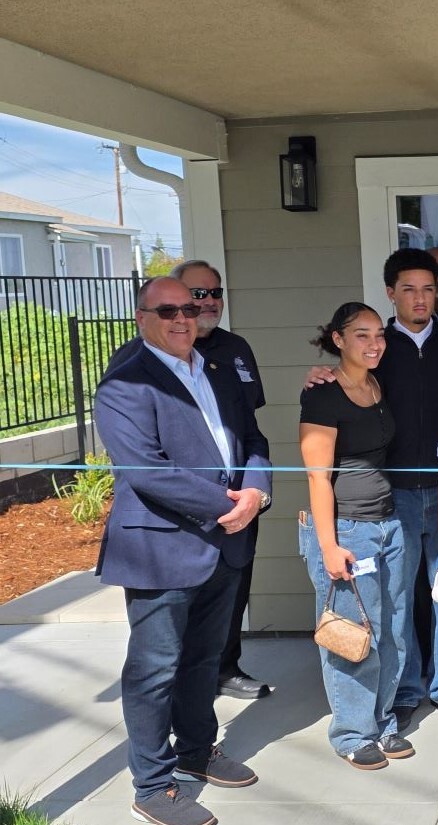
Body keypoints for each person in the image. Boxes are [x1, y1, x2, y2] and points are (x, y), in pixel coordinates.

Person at [95, 276, 271, 825]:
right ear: (142, 318)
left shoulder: (212, 370)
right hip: (162, 547)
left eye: (189, 307)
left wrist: (258, 489)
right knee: (154, 669)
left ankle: (196, 750)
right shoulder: (124, 383)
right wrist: (228, 503)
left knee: (204, 658)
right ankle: (152, 784)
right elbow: (146, 470)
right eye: (166, 309)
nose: (182, 318)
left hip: (225, 541)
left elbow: (253, 439)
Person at [304, 249, 438, 731]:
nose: (420, 297)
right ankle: (404, 688)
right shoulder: (376, 351)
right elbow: (338, 392)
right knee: (396, 602)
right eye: (409, 289)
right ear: (390, 293)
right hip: (391, 496)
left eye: (428, 288)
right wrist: (319, 375)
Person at [299, 302, 413, 771]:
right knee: (353, 634)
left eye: (378, 335)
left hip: (387, 523)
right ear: (338, 339)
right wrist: (328, 545)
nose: (373, 343)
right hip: (347, 529)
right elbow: (317, 477)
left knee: (392, 631)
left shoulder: (374, 384)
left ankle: (382, 721)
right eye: (360, 335)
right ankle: (352, 732)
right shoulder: (323, 395)